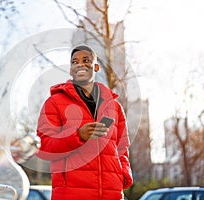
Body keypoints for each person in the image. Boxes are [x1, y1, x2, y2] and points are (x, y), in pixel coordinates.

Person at [36, 45, 133, 200]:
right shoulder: (54, 103)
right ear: (71, 70)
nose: (80, 64)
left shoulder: (114, 106)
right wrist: (78, 136)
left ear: (95, 67)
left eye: (86, 60)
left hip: (111, 194)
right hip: (71, 194)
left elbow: (122, 148)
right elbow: (45, 147)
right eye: (75, 62)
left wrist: (124, 175)